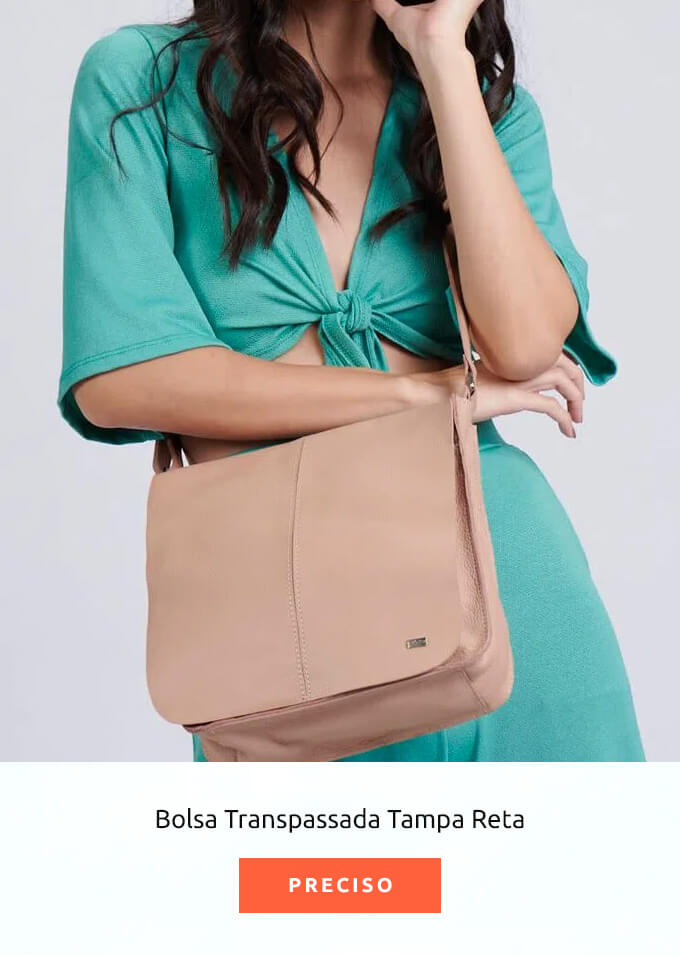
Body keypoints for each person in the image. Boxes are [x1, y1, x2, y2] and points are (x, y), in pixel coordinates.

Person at [59, 0, 644, 761]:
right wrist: (426, 395)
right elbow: (125, 377)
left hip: (512, 595)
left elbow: (527, 344)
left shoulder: (486, 109)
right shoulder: (145, 83)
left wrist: (442, 57)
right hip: (290, 625)